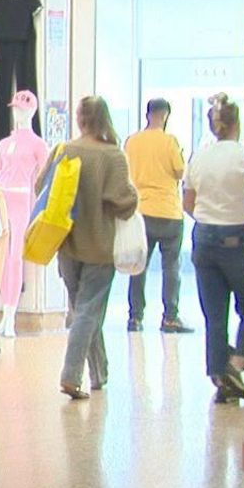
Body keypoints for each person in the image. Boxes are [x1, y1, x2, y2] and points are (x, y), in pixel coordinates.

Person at [45, 96, 139, 400]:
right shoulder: (113, 156)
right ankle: (71, 375)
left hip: (67, 244)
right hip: (99, 246)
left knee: (84, 310)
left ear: (79, 118)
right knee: (88, 312)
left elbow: (41, 189)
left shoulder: (64, 151)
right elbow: (123, 203)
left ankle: (100, 373)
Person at [184, 94, 244, 401]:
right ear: (237, 124)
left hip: (203, 237)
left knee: (214, 315)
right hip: (238, 237)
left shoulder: (199, 156)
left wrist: (210, 217)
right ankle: (237, 362)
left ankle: (221, 377)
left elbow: (187, 203)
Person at [123, 97, 190, 333]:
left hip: (141, 212)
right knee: (171, 267)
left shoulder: (131, 142)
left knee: (138, 266)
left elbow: (125, 173)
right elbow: (181, 172)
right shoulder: (170, 142)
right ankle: (170, 317)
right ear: (165, 116)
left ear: (147, 114)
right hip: (169, 212)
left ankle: (135, 317)